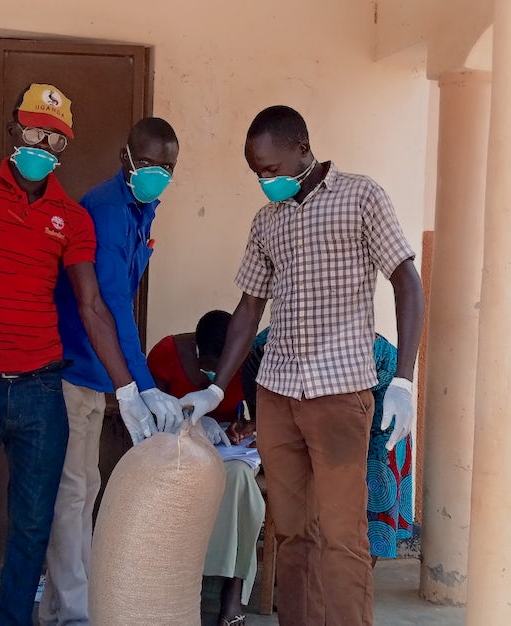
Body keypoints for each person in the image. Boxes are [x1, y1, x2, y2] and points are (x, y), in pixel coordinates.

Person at [0, 84, 168, 626]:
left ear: (65, 146)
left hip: (40, 389)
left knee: (33, 525)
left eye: (55, 137)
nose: (43, 144)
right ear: (14, 129)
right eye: (35, 130)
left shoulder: (71, 217)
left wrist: (129, 388)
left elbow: (94, 305)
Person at [181, 105, 424, 626]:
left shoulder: (362, 197)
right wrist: (215, 387)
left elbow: (407, 281)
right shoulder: (267, 220)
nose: (263, 181)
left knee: (342, 537)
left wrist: (404, 379)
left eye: (269, 169)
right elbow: (250, 307)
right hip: (278, 397)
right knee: (292, 534)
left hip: (340, 395)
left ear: (302, 149)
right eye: (255, 173)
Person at [38, 116, 183, 626]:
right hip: (77, 365)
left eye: (166, 167)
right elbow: (110, 305)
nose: (156, 174)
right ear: (126, 157)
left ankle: (60, 606)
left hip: (100, 373)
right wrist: (140, 385)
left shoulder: (141, 208)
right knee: (74, 492)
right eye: (147, 164)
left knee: (84, 488)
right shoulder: (107, 210)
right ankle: (75, 611)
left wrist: (129, 382)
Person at [243, 330, 414, 566]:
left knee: (368, 497)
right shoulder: (264, 348)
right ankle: (314, 581)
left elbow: (323, 412)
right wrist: (258, 423)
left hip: (384, 408)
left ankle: (355, 575)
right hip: (346, 399)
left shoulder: (317, 358)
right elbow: (264, 401)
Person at [146, 310, 263, 626]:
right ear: (198, 351)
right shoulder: (166, 354)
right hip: (178, 444)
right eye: (210, 366)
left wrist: (247, 427)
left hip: (230, 449)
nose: (216, 374)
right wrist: (190, 423)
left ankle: (232, 593)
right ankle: (181, 587)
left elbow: (263, 414)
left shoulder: (250, 362)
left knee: (239, 481)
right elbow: (148, 413)